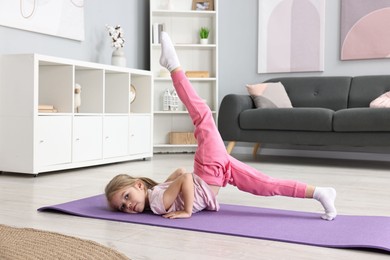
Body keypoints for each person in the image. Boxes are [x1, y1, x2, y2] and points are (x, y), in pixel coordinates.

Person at [105, 32, 337, 221]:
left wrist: (186, 209)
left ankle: (174, 67)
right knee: (266, 185)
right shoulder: (155, 202)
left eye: (126, 196)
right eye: (122, 207)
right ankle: (319, 192)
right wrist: (176, 191)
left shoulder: (156, 201)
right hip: (212, 173)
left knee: (203, 115)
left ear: (138, 185)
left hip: (209, 172)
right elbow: (182, 175)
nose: (128, 205)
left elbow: (183, 177)